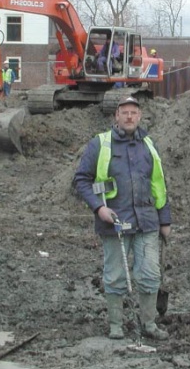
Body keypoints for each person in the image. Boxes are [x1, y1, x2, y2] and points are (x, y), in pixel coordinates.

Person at [74, 96, 172, 341]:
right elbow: (81, 180)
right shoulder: (100, 144)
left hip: (147, 221)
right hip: (114, 222)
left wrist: (165, 220)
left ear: (140, 117)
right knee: (115, 275)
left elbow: (159, 183)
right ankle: (116, 325)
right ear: (116, 116)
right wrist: (99, 208)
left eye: (134, 113)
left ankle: (149, 323)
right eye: (125, 112)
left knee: (150, 274)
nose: (129, 117)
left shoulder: (149, 145)